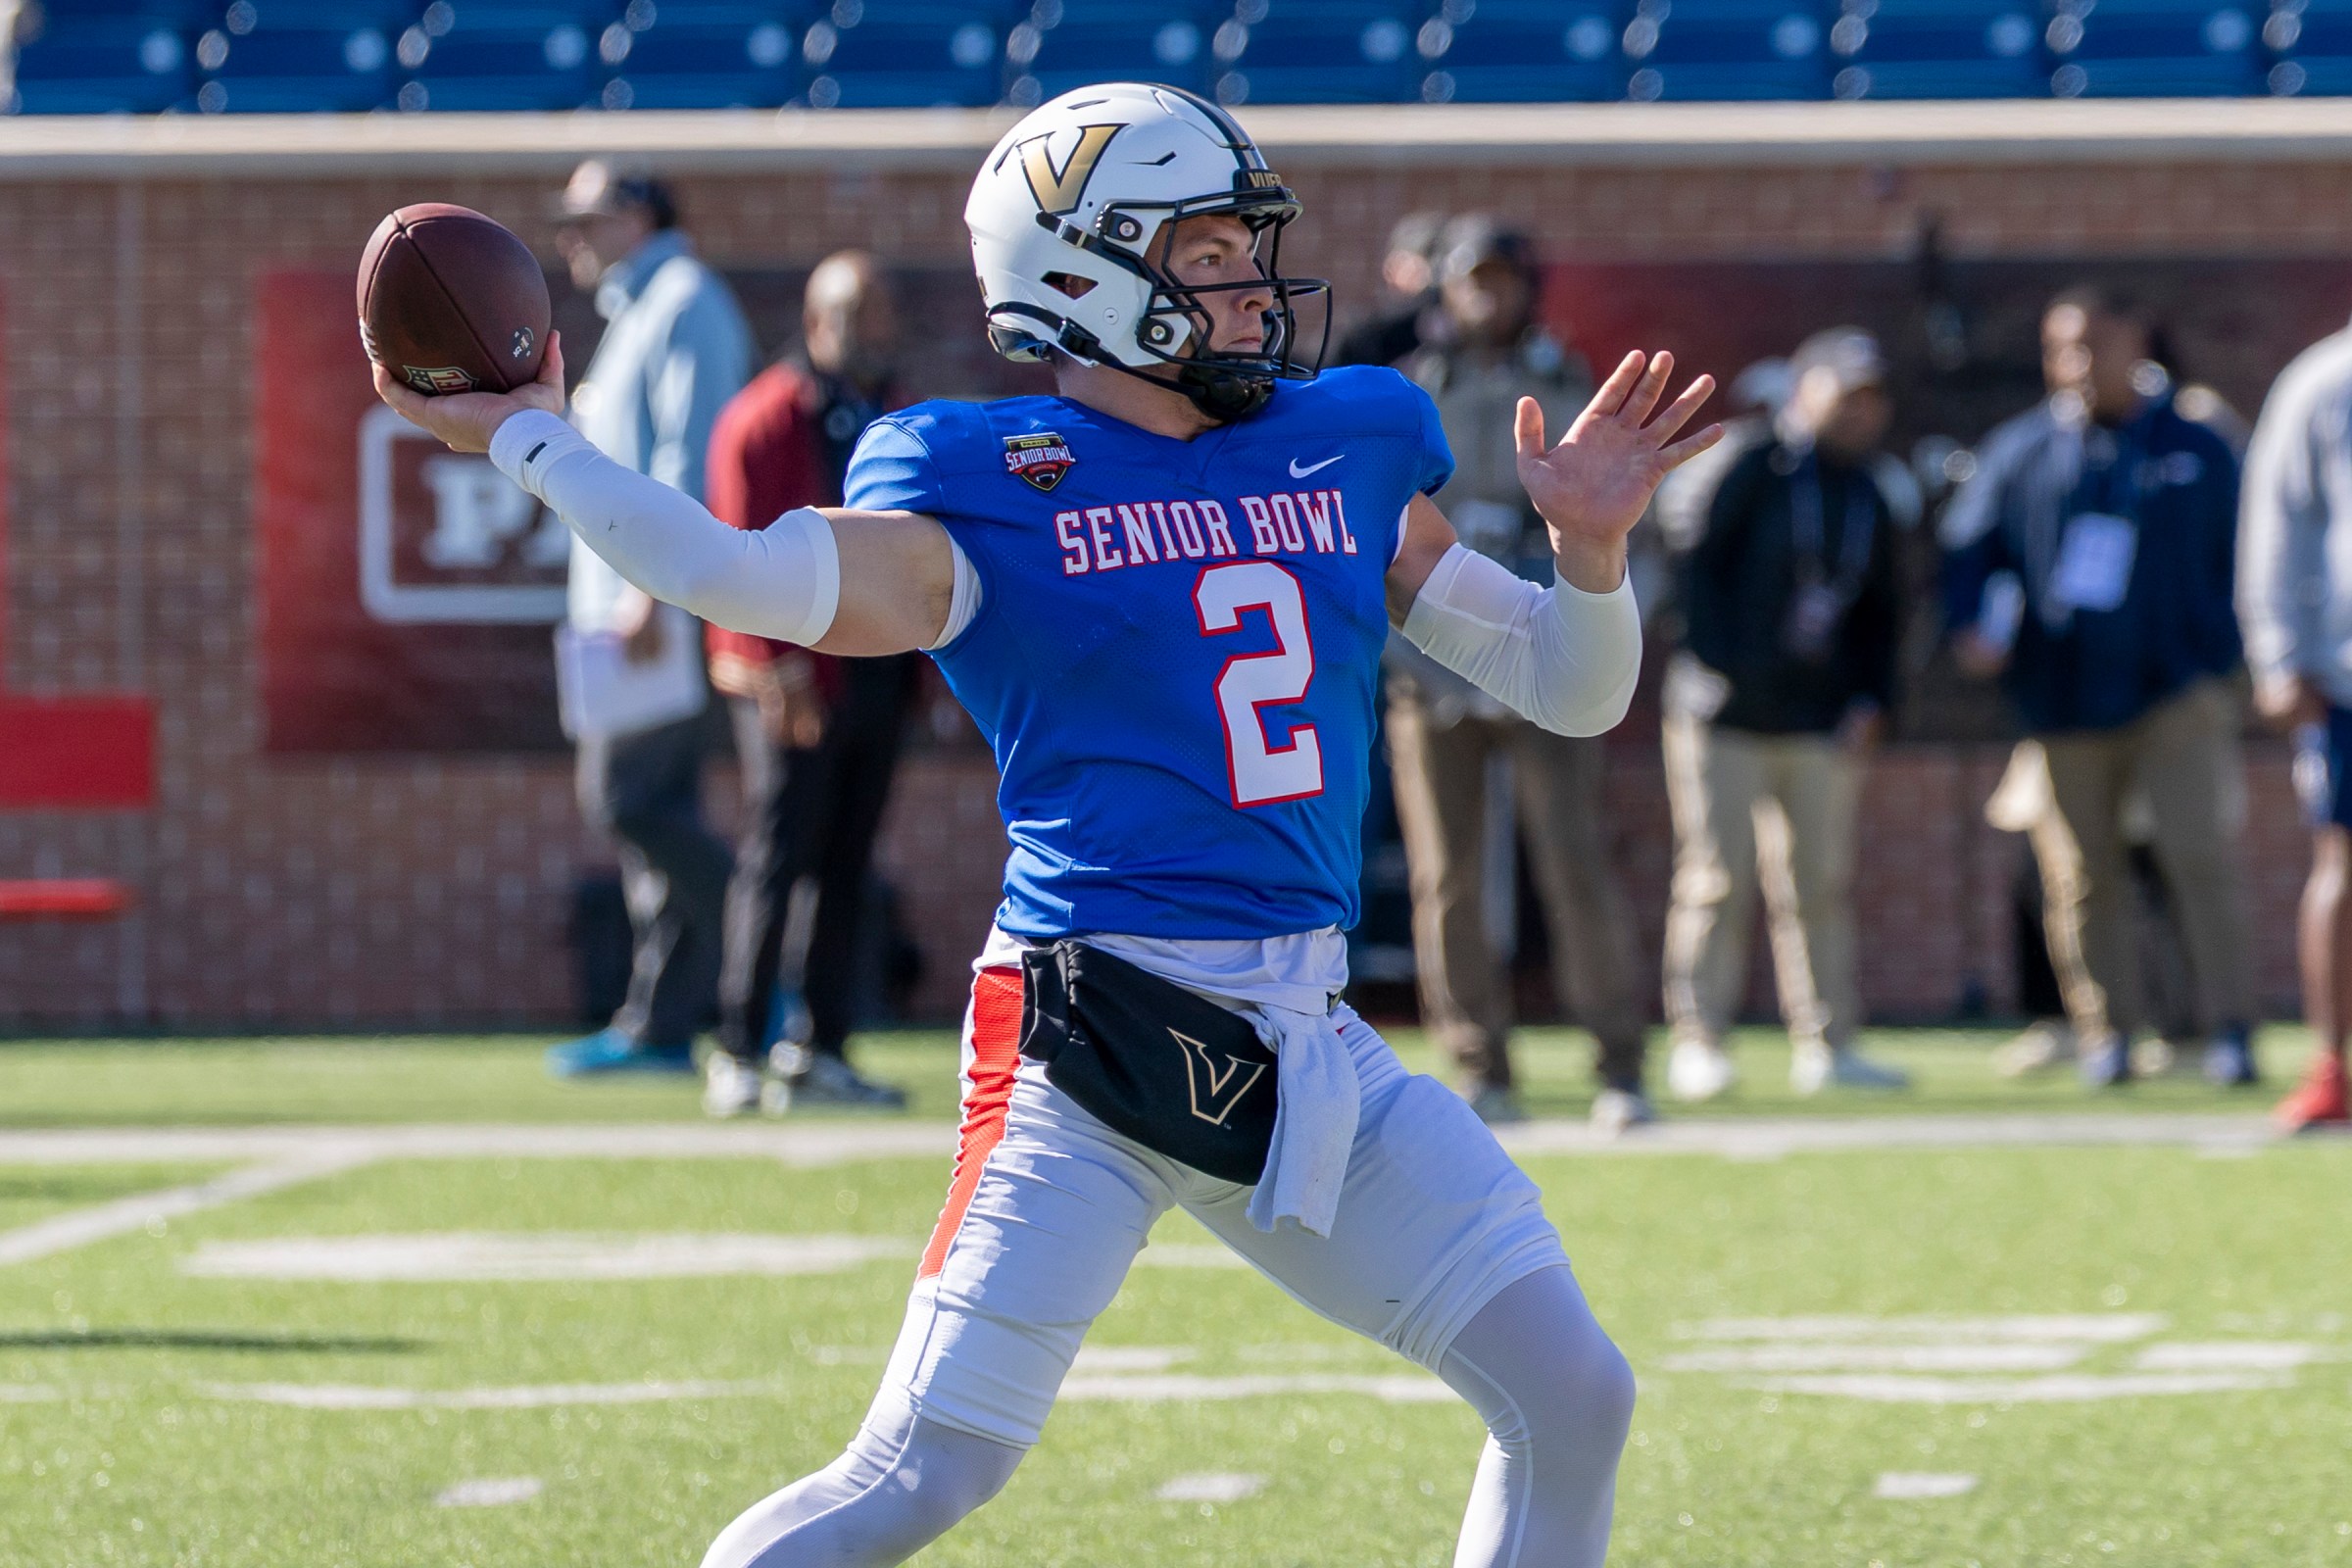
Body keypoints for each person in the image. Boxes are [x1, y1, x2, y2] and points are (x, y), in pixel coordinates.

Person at [375, 82, 1720, 1568]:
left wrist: (1590, 559)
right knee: (919, 1472)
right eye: (1210, 254)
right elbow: (735, 576)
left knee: (1573, 1393)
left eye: (1249, 248)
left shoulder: (1344, 440)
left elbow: (1566, 687)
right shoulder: (987, 480)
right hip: (1089, 1039)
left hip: (1303, 1035)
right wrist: (531, 440)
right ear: (1086, 271)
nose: (1254, 285)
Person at [1942, 286, 2256, 1090]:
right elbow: (1970, 551)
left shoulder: (2196, 443)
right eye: (2060, 348)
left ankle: (2226, 1030)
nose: (2076, 364)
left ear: (2137, 344)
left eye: (2094, 345)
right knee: (2082, 876)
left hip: (2176, 693)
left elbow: (2243, 554)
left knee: (2198, 859)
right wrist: (1974, 625)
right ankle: (2106, 1034)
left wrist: (2220, 657)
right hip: (2063, 700)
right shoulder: (2022, 451)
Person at [1387, 217, 1651, 1131]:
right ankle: (1477, 1068)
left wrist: (1596, 638)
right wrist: (1404, 657)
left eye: (1503, 279)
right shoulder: (1414, 388)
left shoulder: (1565, 380)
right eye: (1472, 280)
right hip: (1431, 663)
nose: (1487, 296)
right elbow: (1377, 536)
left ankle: (1619, 1065)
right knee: (1447, 876)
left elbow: (1616, 524)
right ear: (1444, 289)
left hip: (1541, 654)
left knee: (1574, 862)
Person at [1657, 327, 1911, 1100]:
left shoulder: (1872, 488)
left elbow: (1887, 609)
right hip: (1725, 712)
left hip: (1818, 718)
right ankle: (1699, 1039)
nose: (1861, 414)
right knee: (1715, 878)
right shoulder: (1749, 463)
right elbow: (1690, 567)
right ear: (1805, 390)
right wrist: (1720, 666)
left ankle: (1828, 1043)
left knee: (1819, 883)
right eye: (1847, 395)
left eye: (1873, 400)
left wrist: (1874, 698)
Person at [543, 160, 754, 1078]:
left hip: (656, 606)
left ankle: (768, 963)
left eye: (586, 218)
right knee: (655, 817)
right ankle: (661, 1021)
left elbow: (696, 454)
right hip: (633, 605)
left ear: (638, 214)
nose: (571, 238)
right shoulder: (643, 310)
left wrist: (655, 591)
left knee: (625, 800)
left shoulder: (683, 303)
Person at [702, 252, 918, 1117]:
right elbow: (732, 552)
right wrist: (773, 669)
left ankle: (820, 1045)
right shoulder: (766, 416)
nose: (882, 332)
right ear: (822, 320)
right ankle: (736, 1043)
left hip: (875, 674)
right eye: (865, 314)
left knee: (848, 864)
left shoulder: (890, 415)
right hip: (793, 677)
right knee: (776, 856)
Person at [2237, 314, 2352, 1130]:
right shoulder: (2325, 380)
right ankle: (2332, 1066)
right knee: (2342, 865)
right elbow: (2277, 522)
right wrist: (2278, 655)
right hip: (2347, 676)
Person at [1331, 209, 1444, 368]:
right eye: (1426, 258)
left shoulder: (1457, 325)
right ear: (1392, 268)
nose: (1434, 272)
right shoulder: (1362, 328)